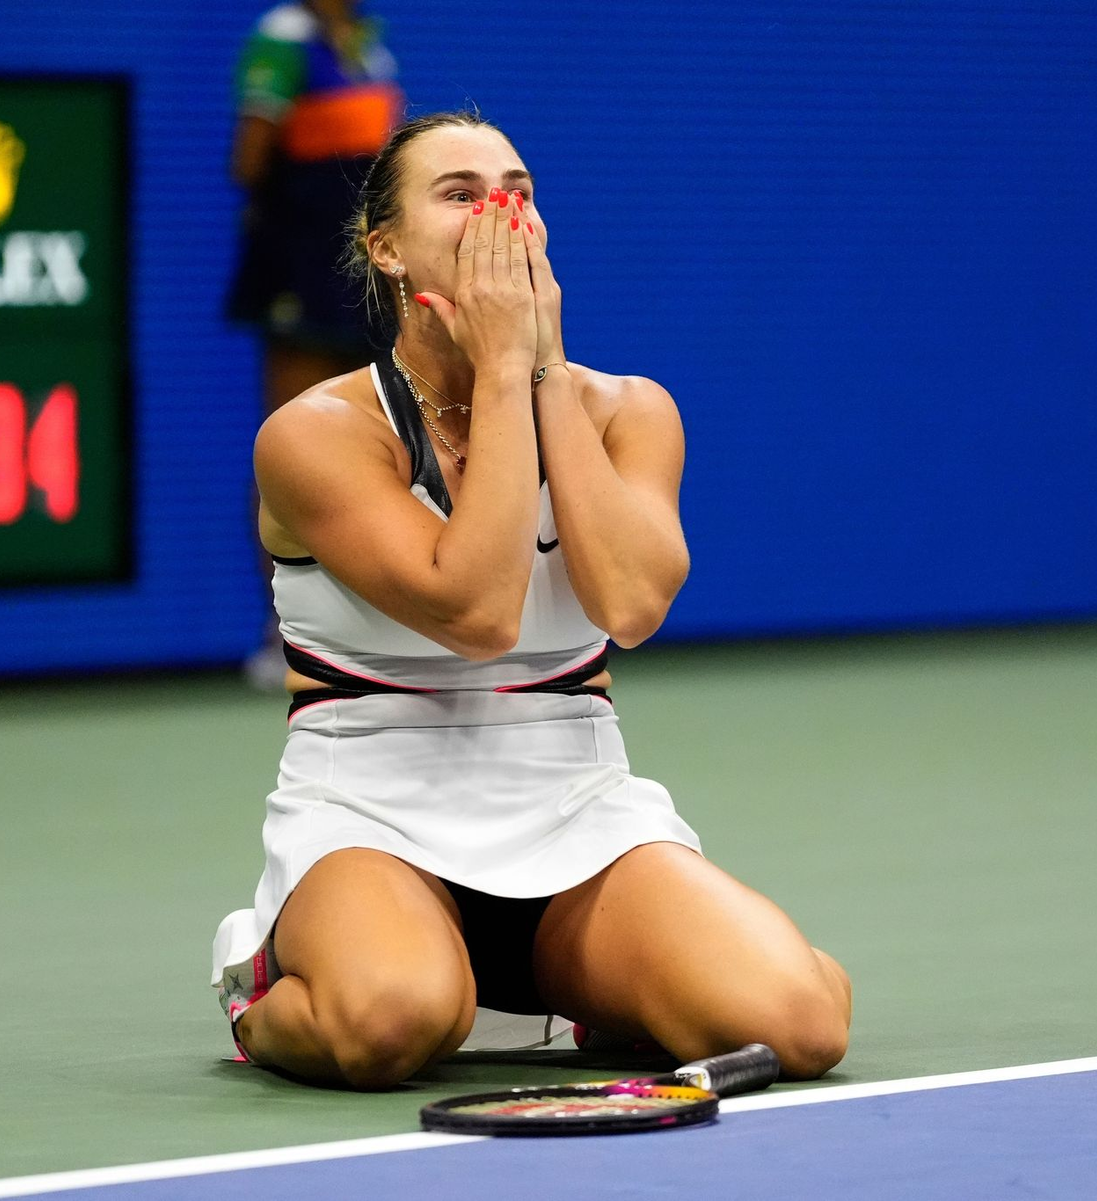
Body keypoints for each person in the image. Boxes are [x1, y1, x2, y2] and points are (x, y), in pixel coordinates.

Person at [212, 111, 852, 1090]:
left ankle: (620, 978)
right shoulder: (314, 435)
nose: (498, 213)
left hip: (578, 814)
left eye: (515, 189)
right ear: (386, 248)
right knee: (393, 1020)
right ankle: (263, 979)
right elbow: (476, 611)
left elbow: (632, 605)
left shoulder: (630, 411)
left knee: (798, 1023)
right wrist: (506, 367)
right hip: (366, 818)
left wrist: (538, 368)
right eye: (460, 193)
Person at [226, 1, 403, 687]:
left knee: (379, 442)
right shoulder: (282, 40)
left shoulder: (368, 46)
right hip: (298, 266)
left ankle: (375, 619)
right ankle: (286, 634)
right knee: (292, 446)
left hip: (366, 271)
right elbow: (250, 159)